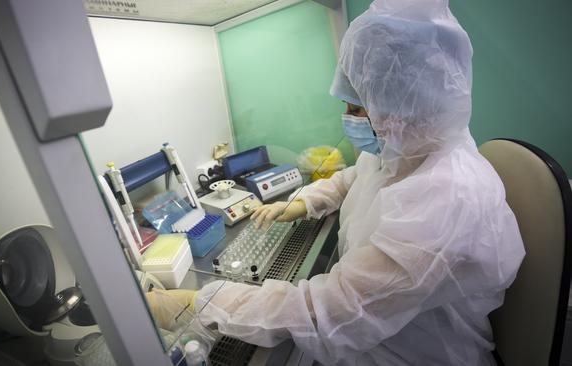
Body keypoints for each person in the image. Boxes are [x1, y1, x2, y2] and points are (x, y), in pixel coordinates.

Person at [147, 0, 525, 364]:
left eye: (359, 108)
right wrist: (303, 202)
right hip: (387, 340)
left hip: (414, 354)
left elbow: (326, 313)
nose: (348, 118)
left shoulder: (446, 199)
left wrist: (197, 304)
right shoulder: (410, 149)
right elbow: (356, 176)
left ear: (410, 105)